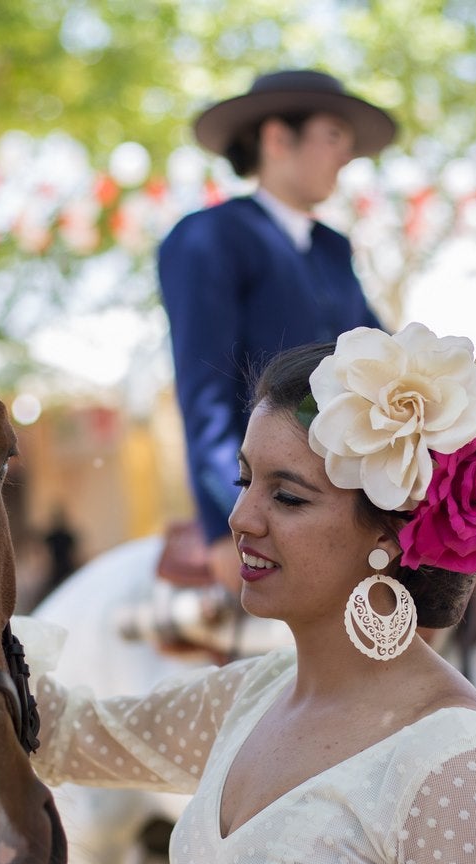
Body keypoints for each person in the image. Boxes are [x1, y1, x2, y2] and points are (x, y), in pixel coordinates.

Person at [19, 324, 476, 864]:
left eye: (288, 496)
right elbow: (67, 732)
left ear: (390, 534)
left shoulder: (455, 766)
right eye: (244, 481)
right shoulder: (252, 697)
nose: (241, 518)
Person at [158, 69, 395, 594]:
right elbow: (205, 395)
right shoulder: (208, 237)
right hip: (271, 500)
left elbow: (386, 360)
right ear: (277, 138)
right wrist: (230, 520)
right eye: (333, 136)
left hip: (348, 498)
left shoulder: (333, 248)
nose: (346, 155)